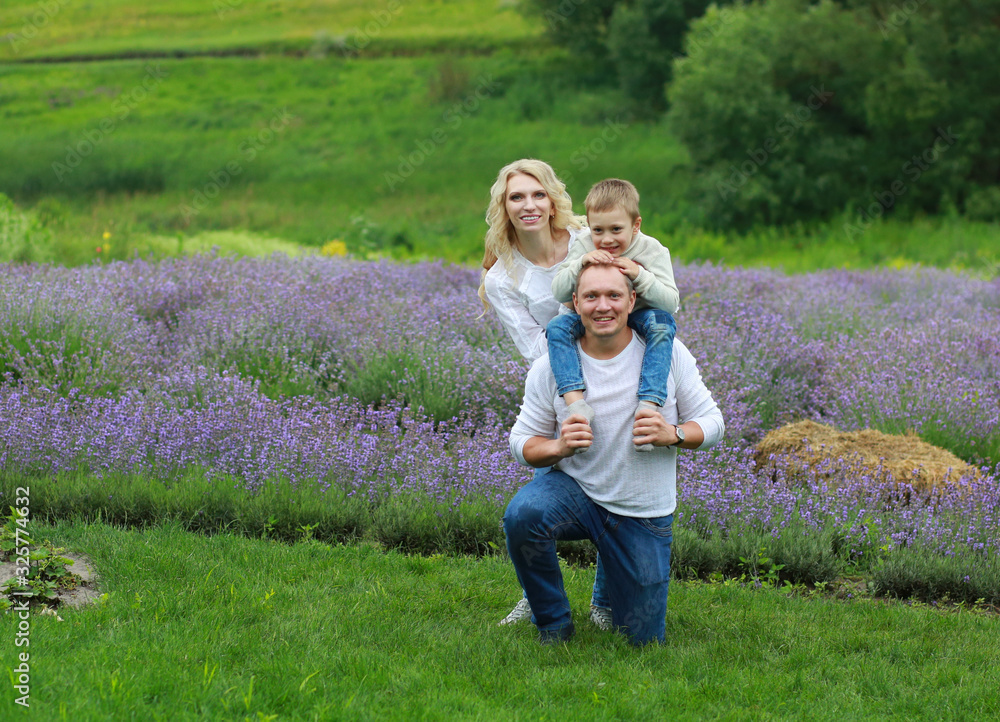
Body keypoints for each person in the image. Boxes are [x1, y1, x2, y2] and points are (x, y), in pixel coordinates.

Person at [504, 262, 724, 645]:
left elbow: (713, 424)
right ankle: (553, 624)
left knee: (642, 639)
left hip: (641, 510)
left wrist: (672, 434)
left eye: (613, 295)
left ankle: (608, 599)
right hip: (577, 494)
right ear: (575, 302)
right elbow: (522, 440)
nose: (602, 306)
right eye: (591, 296)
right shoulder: (552, 365)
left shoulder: (668, 354)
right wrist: (557, 446)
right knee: (523, 516)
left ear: (632, 300)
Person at [478, 158, 613, 630]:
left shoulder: (584, 239)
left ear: (553, 198)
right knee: (558, 472)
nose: (529, 205)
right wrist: (573, 304)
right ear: (504, 206)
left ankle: (607, 598)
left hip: (619, 365)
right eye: (517, 197)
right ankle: (537, 596)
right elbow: (537, 350)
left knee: (619, 479)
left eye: (537, 194)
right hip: (559, 383)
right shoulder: (503, 278)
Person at [548, 179, 679, 452]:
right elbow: (559, 292)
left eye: (616, 229)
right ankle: (577, 405)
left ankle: (649, 405)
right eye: (598, 230)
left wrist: (639, 275)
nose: (606, 240)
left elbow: (671, 303)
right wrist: (579, 264)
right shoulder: (584, 244)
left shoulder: (652, 250)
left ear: (636, 225)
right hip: (593, 318)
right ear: (589, 227)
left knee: (663, 325)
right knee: (557, 327)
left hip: (639, 315)